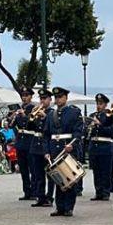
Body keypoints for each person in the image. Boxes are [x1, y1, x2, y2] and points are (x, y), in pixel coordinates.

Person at [43, 87, 84, 217]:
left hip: (68, 148)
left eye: (60, 97)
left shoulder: (73, 113)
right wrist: (46, 151)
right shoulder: (50, 115)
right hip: (55, 149)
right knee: (58, 179)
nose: (58, 100)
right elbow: (46, 135)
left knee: (69, 179)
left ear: (66, 98)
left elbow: (78, 132)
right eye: (56, 97)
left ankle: (69, 207)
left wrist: (73, 145)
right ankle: (59, 207)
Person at [27, 89, 53, 208]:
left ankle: (49, 197)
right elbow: (30, 127)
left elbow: (51, 129)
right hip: (35, 145)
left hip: (46, 145)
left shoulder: (52, 113)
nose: (42, 101)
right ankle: (40, 197)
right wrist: (31, 116)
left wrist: (44, 117)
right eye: (41, 99)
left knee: (50, 174)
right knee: (37, 174)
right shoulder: (37, 112)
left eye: (44, 98)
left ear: (50, 100)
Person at [88, 94, 113, 201]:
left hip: (105, 146)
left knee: (105, 171)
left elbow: (111, 131)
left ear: (105, 104)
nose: (98, 106)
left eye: (101, 104)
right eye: (97, 104)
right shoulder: (93, 115)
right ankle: (98, 191)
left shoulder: (109, 116)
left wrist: (99, 125)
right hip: (94, 146)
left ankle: (105, 192)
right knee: (96, 171)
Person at [14, 87, 36, 200]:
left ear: (31, 96)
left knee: (32, 168)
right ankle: (26, 191)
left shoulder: (34, 108)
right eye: (23, 95)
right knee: (23, 169)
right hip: (20, 142)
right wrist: (14, 117)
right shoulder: (20, 108)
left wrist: (24, 116)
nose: (24, 97)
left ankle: (34, 192)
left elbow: (33, 124)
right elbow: (14, 125)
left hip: (29, 140)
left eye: (26, 95)